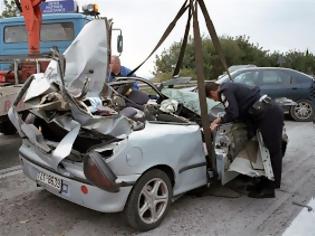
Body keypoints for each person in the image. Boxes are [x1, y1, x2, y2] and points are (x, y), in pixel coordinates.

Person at [205, 81, 284, 198]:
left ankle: (270, 188)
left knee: (272, 151)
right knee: (264, 151)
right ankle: (263, 182)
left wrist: (219, 120)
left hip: (269, 114)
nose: (216, 100)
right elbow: (239, 108)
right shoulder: (229, 86)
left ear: (213, 92)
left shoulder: (224, 91)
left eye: (213, 98)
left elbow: (233, 113)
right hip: (265, 112)